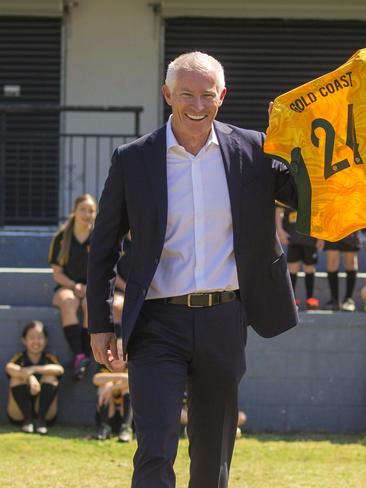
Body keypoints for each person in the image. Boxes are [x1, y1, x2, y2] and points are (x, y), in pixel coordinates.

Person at [87, 51, 298, 488]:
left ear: (222, 96)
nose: (197, 106)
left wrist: (324, 143)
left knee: (213, 453)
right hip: (156, 323)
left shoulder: (255, 149)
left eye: (207, 95)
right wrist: (99, 321)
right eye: (186, 94)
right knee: (155, 445)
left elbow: (306, 197)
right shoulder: (133, 159)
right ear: (167, 95)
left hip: (226, 317)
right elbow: (103, 247)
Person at [48, 193, 97, 379]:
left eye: (91, 210)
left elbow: (106, 269)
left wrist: (89, 288)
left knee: (89, 304)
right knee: (68, 301)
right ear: (74, 211)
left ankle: (85, 355)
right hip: (67, 285)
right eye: (83, 209)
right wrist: (74, 285)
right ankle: (79, 355)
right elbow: (57, 273)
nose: (86, 214)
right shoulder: (61, 237)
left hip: (92, 287)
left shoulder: (100, 236)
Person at [5, 321, 64, 435]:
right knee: (16, 378)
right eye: (31, 337)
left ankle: (40, 421)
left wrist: (34, 369)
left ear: (46, 340)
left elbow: (59, 369)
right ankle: (27, 421)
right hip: (18, 415)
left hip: (46, 414)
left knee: (51, 377)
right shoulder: (20, 357)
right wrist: (30, 377)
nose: (36, 341)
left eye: (40, 337)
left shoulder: (48, 357)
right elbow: (9, 368)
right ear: (24, 340)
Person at [275, 205, 322, 310]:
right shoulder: (288, 189)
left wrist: (321, 235)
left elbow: (320, 209)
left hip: (310, 236)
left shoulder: (313, 190)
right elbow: (279, 209)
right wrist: (280, 230)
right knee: (292, 267)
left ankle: (310, 299)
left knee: (309, 267)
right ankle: (292, 300)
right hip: (293, 236)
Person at [92, 353, 132, 442]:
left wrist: (112, 388)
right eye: (114, 355)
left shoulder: (131, 367)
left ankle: (126, 429)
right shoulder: (105, 368)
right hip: (110, 416)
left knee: (128, 387)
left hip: (127, 416)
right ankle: (104, 427)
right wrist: (118, 378)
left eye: (121, 355)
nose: (117, 358)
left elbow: (133, 380)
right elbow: (95, 379)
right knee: (105, 386)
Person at [323, 231, 362, 311]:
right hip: (331, 225)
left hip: (350, 223)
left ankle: (348, 300)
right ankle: (334, 300)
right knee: (331, 263)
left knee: (351, 263)